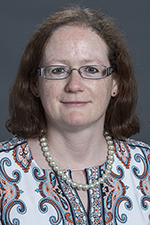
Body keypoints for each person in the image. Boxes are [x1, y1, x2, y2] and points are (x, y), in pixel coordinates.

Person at [0, 6, 150, 225]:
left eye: (91, 69)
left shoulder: (146, 167)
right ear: (35, 84)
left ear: (115, 83)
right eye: (58, 70)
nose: (74, 85)